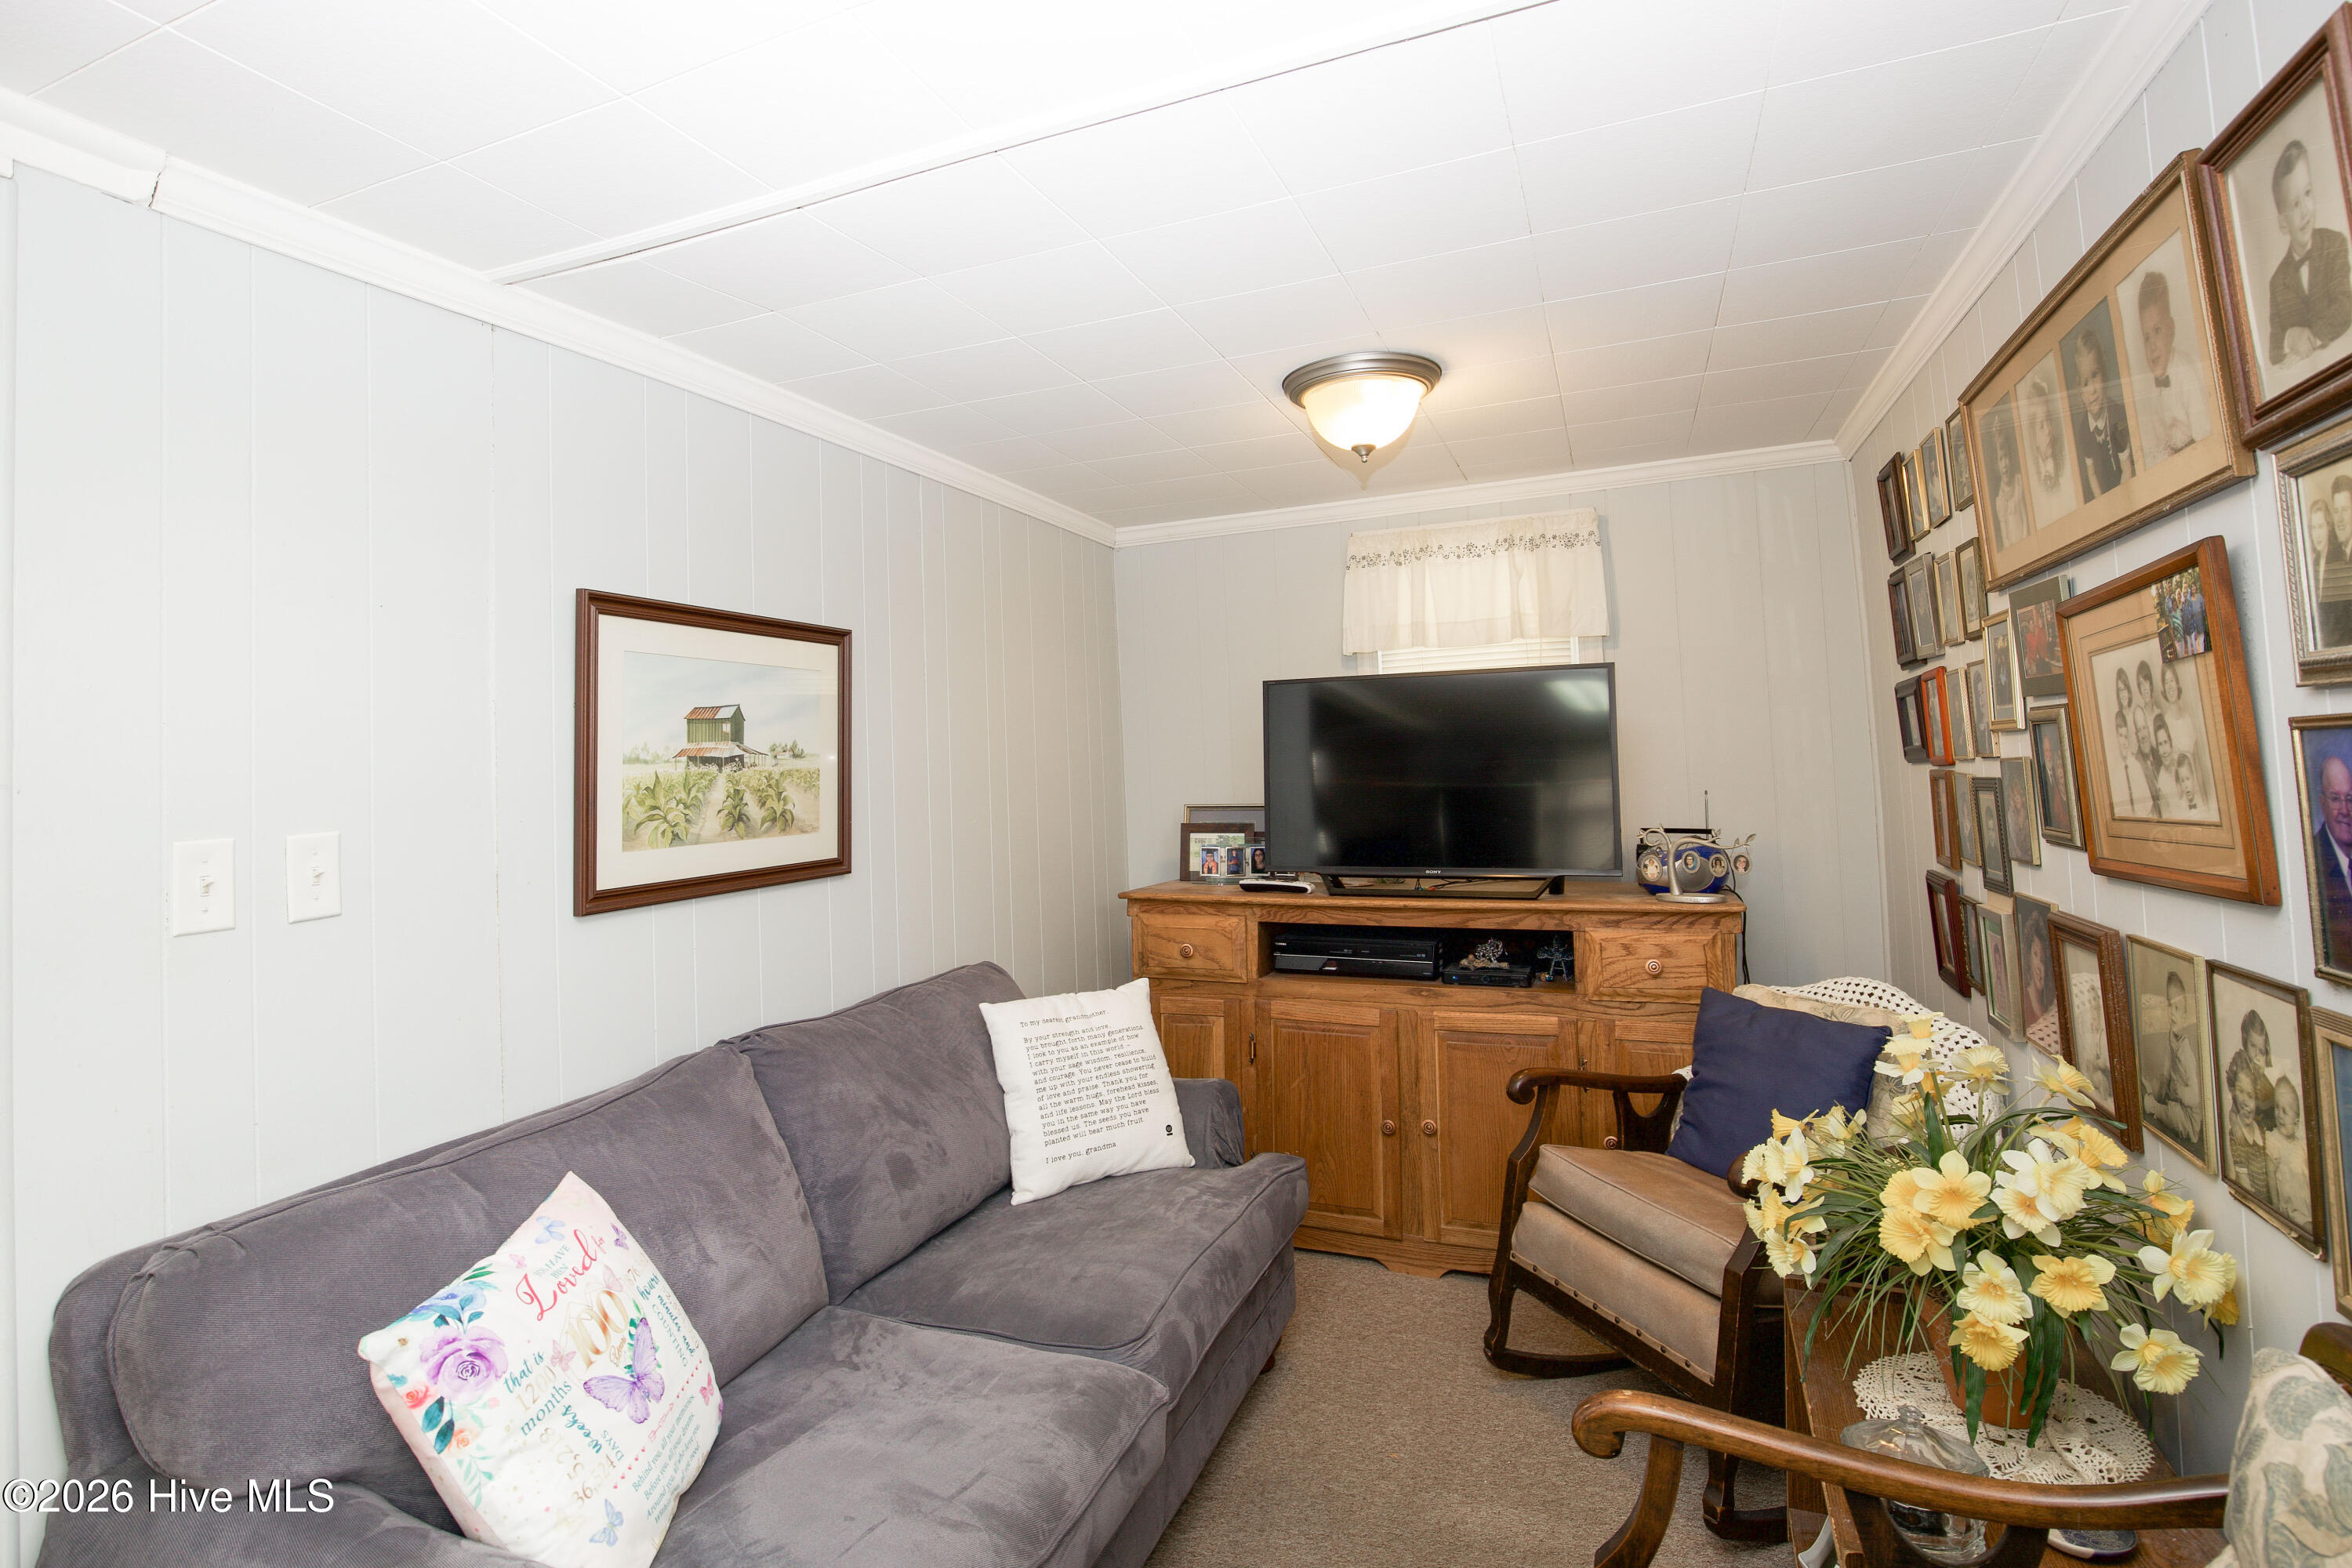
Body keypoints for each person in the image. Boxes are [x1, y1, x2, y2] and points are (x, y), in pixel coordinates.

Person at [2266, 139, 2352, 369]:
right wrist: (2289, 339)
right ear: (2283, 223)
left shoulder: (2335, 244)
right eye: (2295, 204)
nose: (2305, 210)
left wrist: (2311, 336)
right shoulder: (2277, 282)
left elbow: (2346, 306)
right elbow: (2273, 347)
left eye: (2308, 193)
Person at [2135, 267, 2212, 463]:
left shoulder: (2186, 373)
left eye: (2157, 330)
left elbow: (2204, 434)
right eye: (2146, 337)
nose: (2152, 346)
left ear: (2171, 329)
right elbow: (2156, 441)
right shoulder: (2151, 387)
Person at [2070, 325, 2136, 499]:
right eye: (2085, 383)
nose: (2092, 390)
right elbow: (2092, 474)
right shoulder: (2084, 430)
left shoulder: (2118, 416)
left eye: (2095, 375)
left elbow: (2127, 469)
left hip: (2126, 489)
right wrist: (2101, 501)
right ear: (2079, 390)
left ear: (2104, 374)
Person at [2142, 969, 2205, 1153]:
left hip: (2189, 1117)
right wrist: (2163, 1085)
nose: (2172, 1014)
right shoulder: (2172, 1036)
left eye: (2177, 1009)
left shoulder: (2186, 1050)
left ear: (2186, 1014)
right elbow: (2168, 1066)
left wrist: (2177, 1093)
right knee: (2156, 1083)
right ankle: (2155, 1097)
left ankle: (2155, 1107)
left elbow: (2194, 1097)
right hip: (2174, 1097)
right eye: (2170, 1007)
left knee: (2173, 1113)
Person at [2223, 1008, 2278, 1205]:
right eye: (2252, 1046)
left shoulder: (2267, 1086)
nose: (2255, 1054)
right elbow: (2233, 1107)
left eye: (2261, 1050)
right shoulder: (2242, 1068)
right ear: (2245, 1043)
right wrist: (2235, 1121)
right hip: (2248, 1151)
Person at [2312, 753, 2352, 971]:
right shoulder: (2313, 862)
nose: (2345, 810)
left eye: (2350, 798)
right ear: (2322, 804)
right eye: (2336, 799)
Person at [2023, 372, 2074, 521]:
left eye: (2049, 421)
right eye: (2041, 426)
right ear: (2033, 437)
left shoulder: (2063, 459)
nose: (2048, 430)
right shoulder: (2032, 475)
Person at [2268, 1076, 2312, 1229]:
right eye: (2276, 1107)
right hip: (2290, 1207)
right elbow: (2271, 1174)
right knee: (2305, 1226)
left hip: (2307, 1203)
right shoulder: (2273, 1140)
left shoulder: (2302, 1144)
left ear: (2297, 1122)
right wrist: (2275, 1206)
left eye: (2285, 1111)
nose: (2279, 1115)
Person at [1990, 422, 2029, 546]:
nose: (2004, 464)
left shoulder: (2019, 483)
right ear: (1996, 465)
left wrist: (2025, 540)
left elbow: (2025, 518)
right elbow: (2005, 536)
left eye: (2006, 456)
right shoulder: (1999, 499)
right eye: (2000, 459)